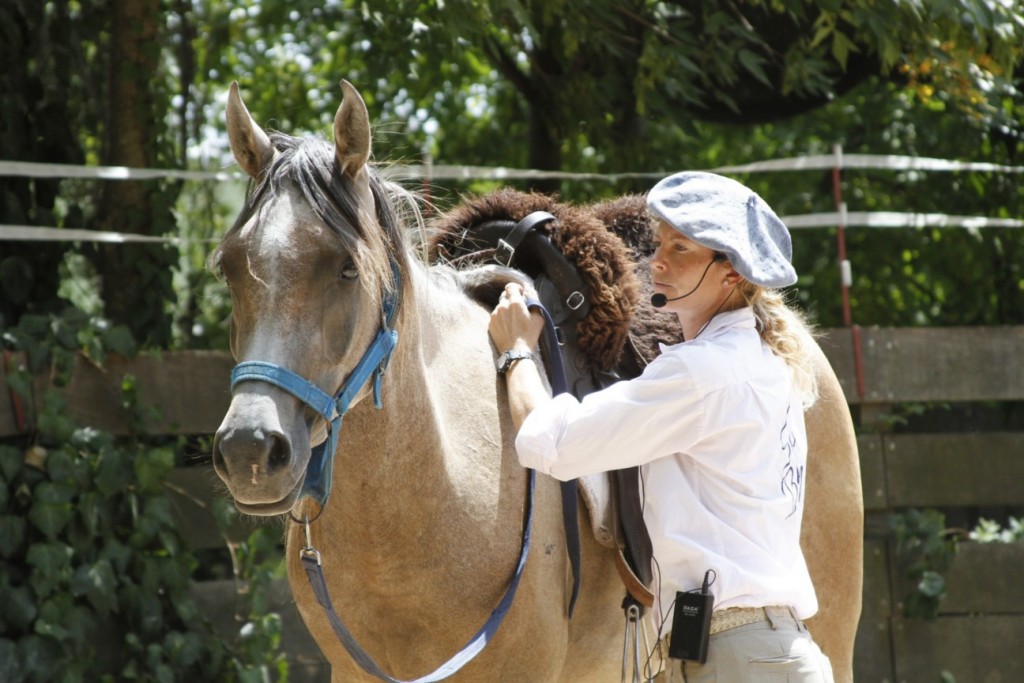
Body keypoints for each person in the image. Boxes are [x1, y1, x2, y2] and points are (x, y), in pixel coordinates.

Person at [489, 171, 834, 682]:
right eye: (659, 242)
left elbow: (554, 442)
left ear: (732, 273)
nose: (658, 261)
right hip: (744, 654)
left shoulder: (703, 372)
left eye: (683, 248)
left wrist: (516, 350)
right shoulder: (756, 361)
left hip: (737, 661)